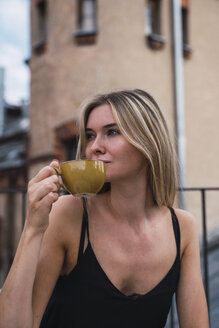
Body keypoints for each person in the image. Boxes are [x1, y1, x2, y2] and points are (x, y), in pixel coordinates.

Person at [0, 89, 209, 328]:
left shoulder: (182, 228)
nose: (94, 148)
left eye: (112, 132)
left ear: (149, 141)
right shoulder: (70, 214)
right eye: (89, 136)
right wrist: (33, 228)